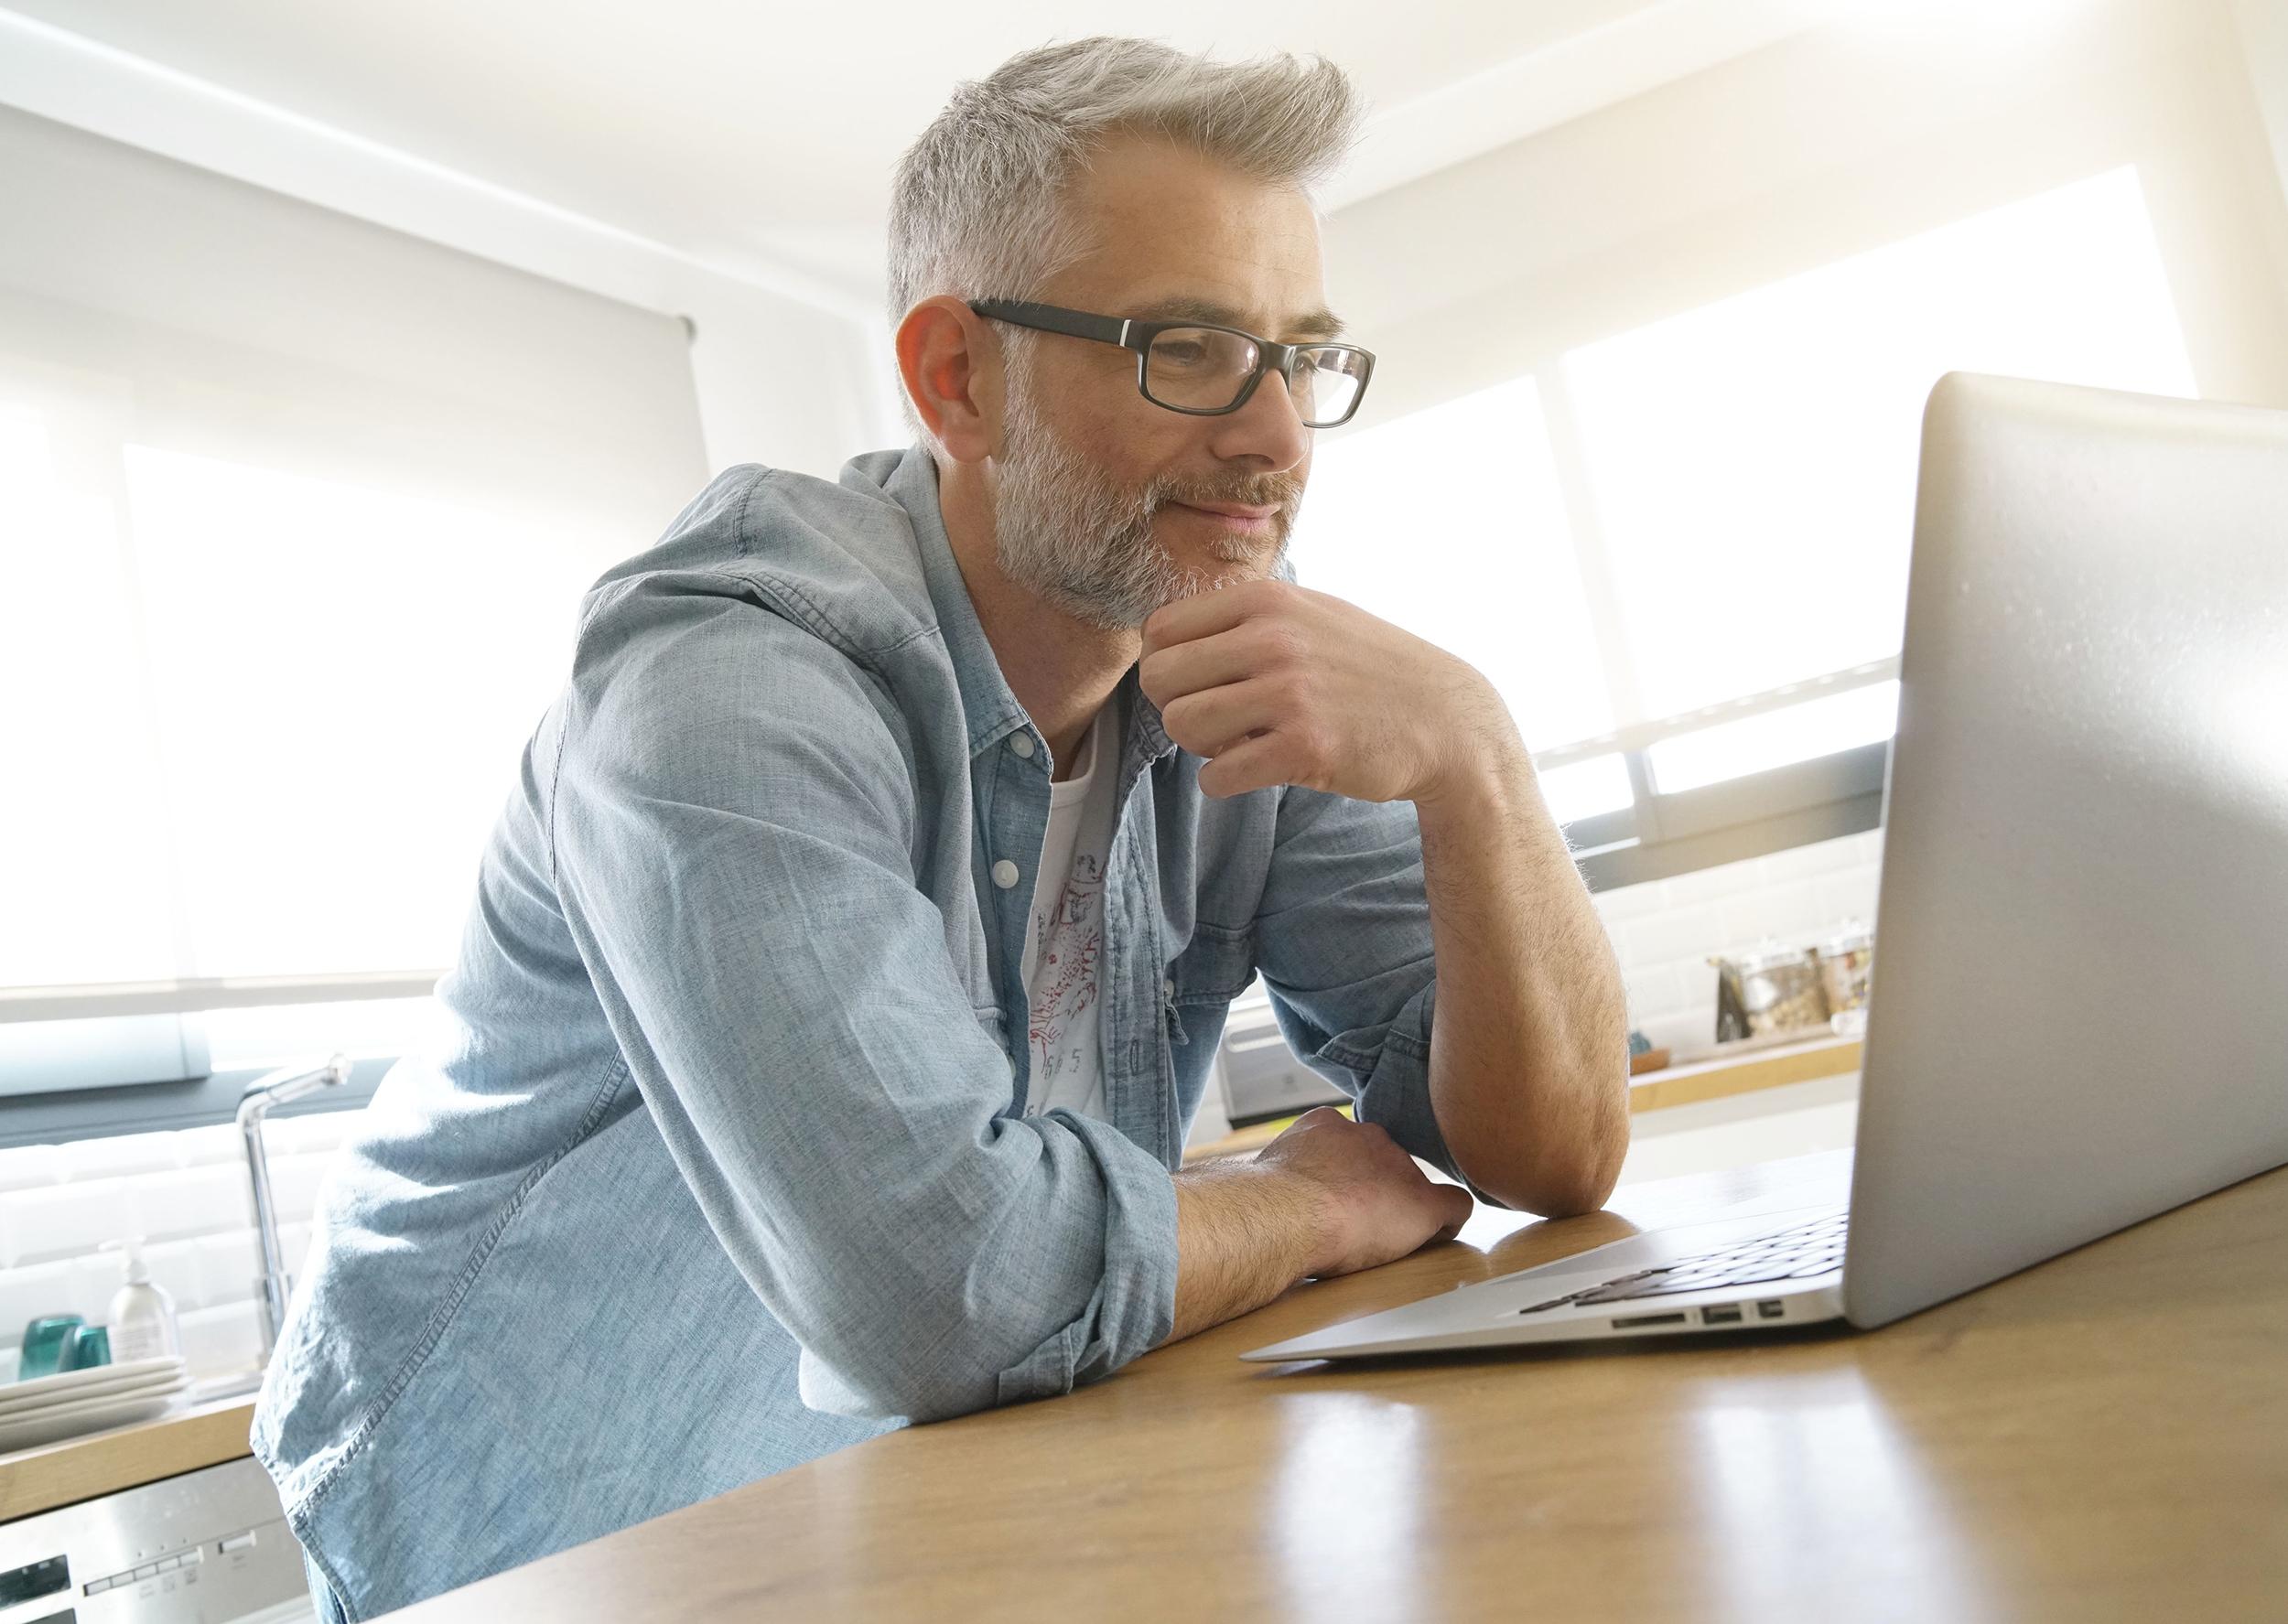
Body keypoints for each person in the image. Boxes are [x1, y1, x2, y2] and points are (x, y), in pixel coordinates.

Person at [256, 36, 1629, 1621]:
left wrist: (1479, 763)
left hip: (901, 1479)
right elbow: (948, 1289)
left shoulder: (1240, 658)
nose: (1278, 441)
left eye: (1298, 357)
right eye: (1187, 348)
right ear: (955, 379)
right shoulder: (721, 679)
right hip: (541, 1500)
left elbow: (1558, 1153)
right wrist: (1313, 1208)